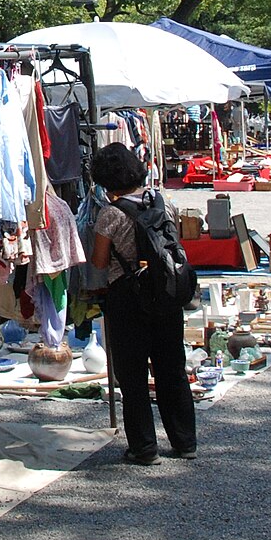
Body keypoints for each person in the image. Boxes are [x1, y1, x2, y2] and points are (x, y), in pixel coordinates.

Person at [87, 142, 196, 465]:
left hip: (128, 296)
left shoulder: (111, 214)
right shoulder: (163, 203)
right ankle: (185, 440)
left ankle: (144, 447)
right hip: (166, 293)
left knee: (132, 374)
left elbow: (100, 261)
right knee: (172, 368)